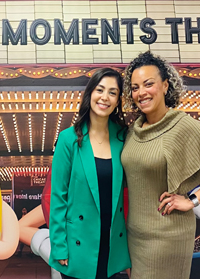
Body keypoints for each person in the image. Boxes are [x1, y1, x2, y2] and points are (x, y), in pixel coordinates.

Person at [121, 51, 200, 279]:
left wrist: (192, 200)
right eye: (135, 87)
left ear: (165, 85)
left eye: (148, 84)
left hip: (168, 235)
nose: (141, 92)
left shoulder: (183, 125)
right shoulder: (133, 131)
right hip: (135, 235)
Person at [49, 68, 131, 279]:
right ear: (89, 94)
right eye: (100, 90)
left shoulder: (124, 137)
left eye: (112, 92)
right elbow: (58, 196)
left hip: (113, 241)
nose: (105, 97)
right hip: (78, 243)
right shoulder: (68, 139)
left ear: (117, 100)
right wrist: (59, 246)